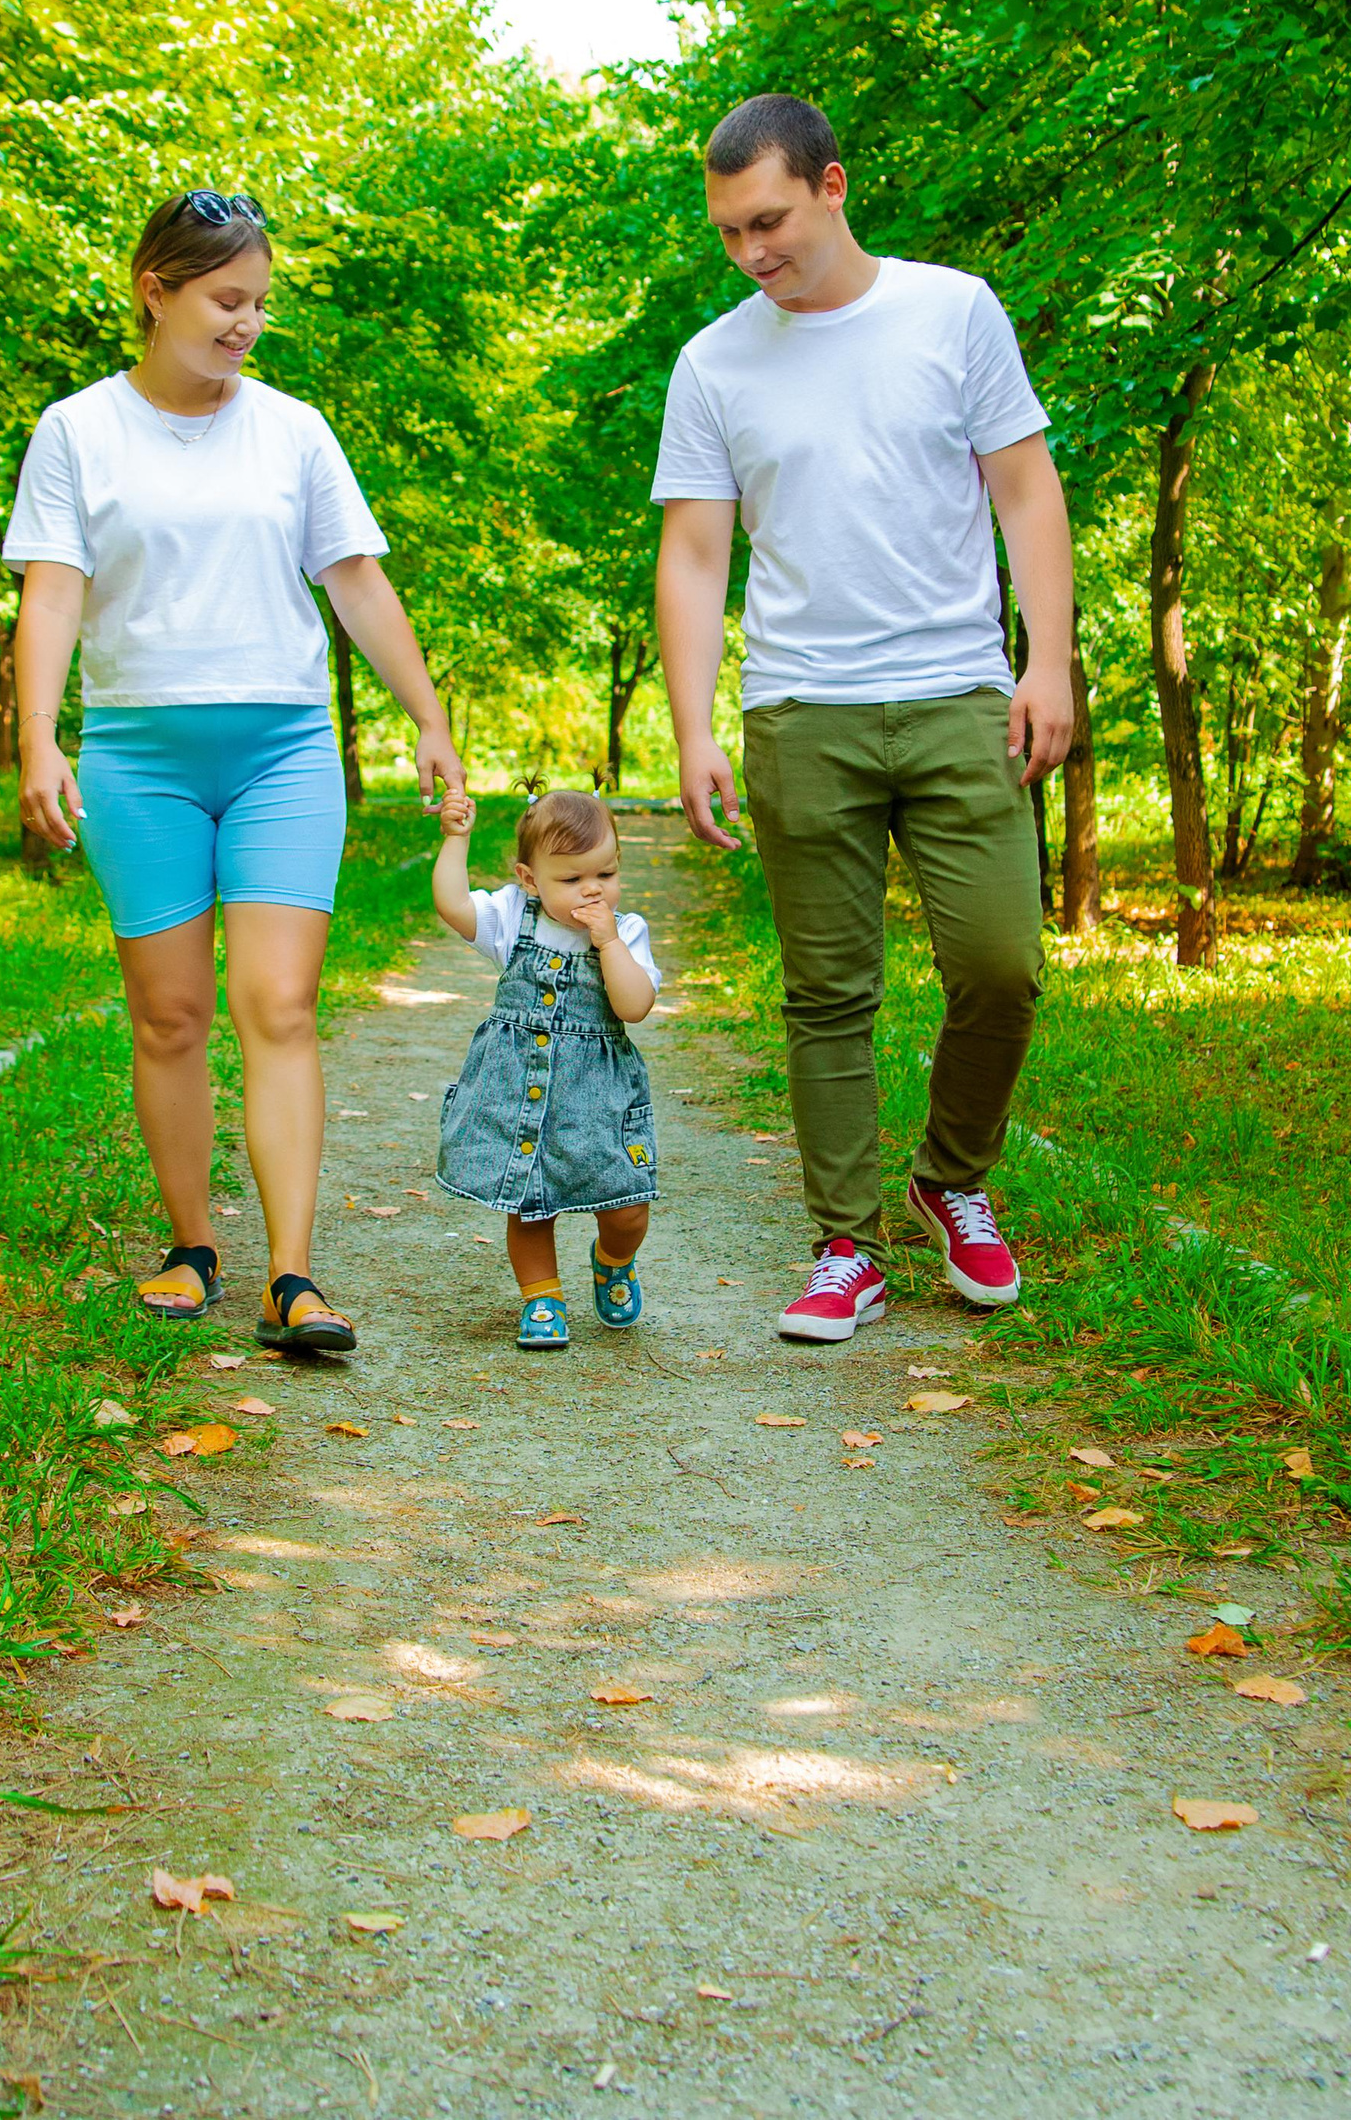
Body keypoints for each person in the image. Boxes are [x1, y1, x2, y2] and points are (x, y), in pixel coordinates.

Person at [7, 188, 463, 1358]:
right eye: (225, 299)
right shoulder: (77, 430)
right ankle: (191, 1244)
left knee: (280, 1005)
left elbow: (355, 578)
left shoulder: (294, 430)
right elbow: (51, 589)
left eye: (259, 301)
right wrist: (38, 735)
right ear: (155, 289)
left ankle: (292, 1275)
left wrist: (427, 715)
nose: (246, 322)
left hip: (282, 748)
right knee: (168, 1015)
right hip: (139, 754)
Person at [650, 95, 1074, 1344]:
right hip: (801, 707)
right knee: (827, 991)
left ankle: (950, 1179)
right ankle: (847, 1244)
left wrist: (1044, 661)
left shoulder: (953, 310)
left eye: (767, 220)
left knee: (999, 965)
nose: (750, 252)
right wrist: (693, 727)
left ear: (832, 187)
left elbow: (1024, 487)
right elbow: (691, 552)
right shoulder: (713, 361)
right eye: (728, 232)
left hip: (958, 695)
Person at [430, 786, 661, 1351]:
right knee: (527, 1199)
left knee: (628, 1204)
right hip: (520, 1094)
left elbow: (634, 1005)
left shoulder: (625, 932)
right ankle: (542, 1297)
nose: (592, 890)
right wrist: (455, 840)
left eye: (605, 874)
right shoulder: (512, 916)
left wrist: (607, 945)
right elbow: (452, 904)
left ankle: (612, 1260)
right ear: (529, 879)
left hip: (599, 1099)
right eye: (571, 879)